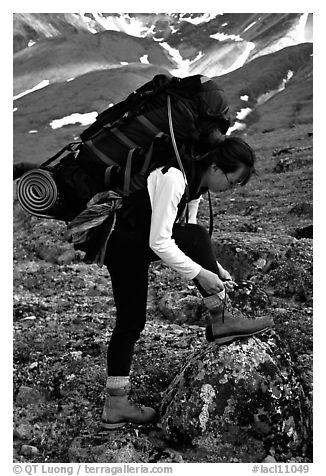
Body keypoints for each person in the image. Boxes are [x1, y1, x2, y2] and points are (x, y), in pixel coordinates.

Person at [101, 136, 274, 429]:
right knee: (131, 322)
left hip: (133, 241)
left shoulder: (196, 184)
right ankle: (221, 318)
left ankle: (115, 404)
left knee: (131, 323)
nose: (229, 190)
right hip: (123, 244)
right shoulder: (174, 177)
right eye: (232, 182)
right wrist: (200, 274)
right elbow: (161, 242)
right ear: (217, 167)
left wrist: (214, 267)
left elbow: (188, 234)